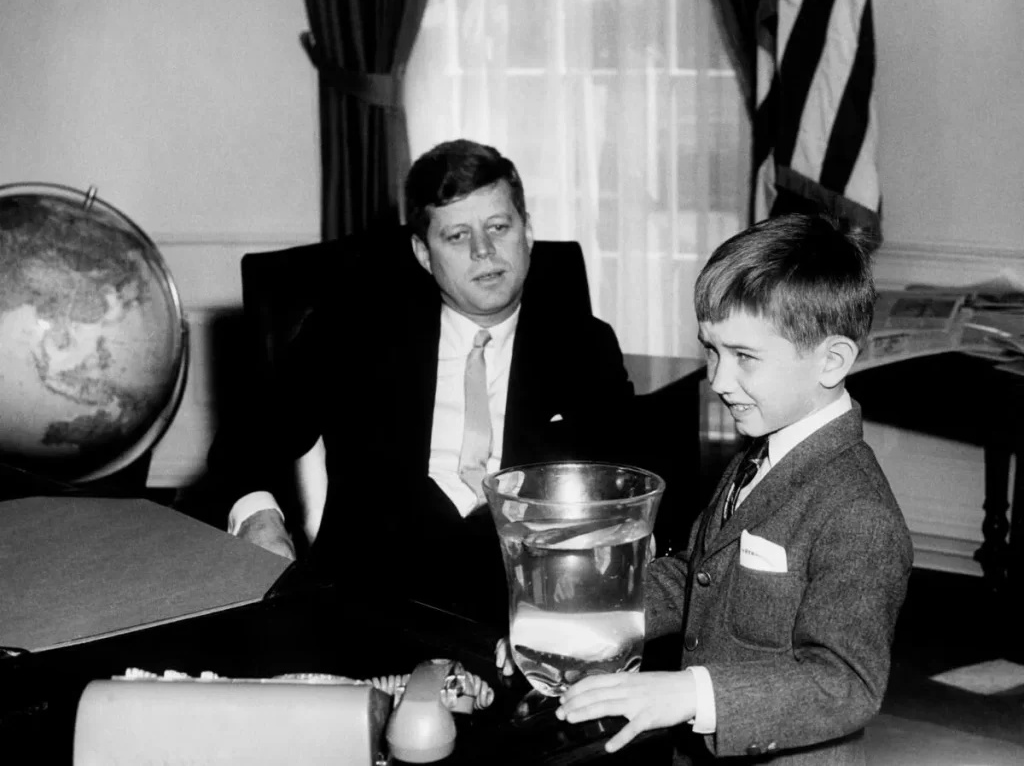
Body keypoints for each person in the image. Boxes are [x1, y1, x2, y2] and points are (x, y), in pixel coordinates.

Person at [206, 138, 636, 625]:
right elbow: (242, 443)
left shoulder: (584, 346)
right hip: (370, 600)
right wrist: (261, 520)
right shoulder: (354, 333)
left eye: (499, 227)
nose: (484, 250)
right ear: (423, 253)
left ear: (527, 232)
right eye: (457, 236)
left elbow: (626, 484)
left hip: (527, 605)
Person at [539, 213, 914, 764]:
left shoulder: (858, 512)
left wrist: (690, 692)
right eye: (711, 350)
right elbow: (696, 576)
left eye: (744, 357)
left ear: (832, 360)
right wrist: (584, 618)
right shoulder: (756, 455)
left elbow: (846, 685)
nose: (717, 379)